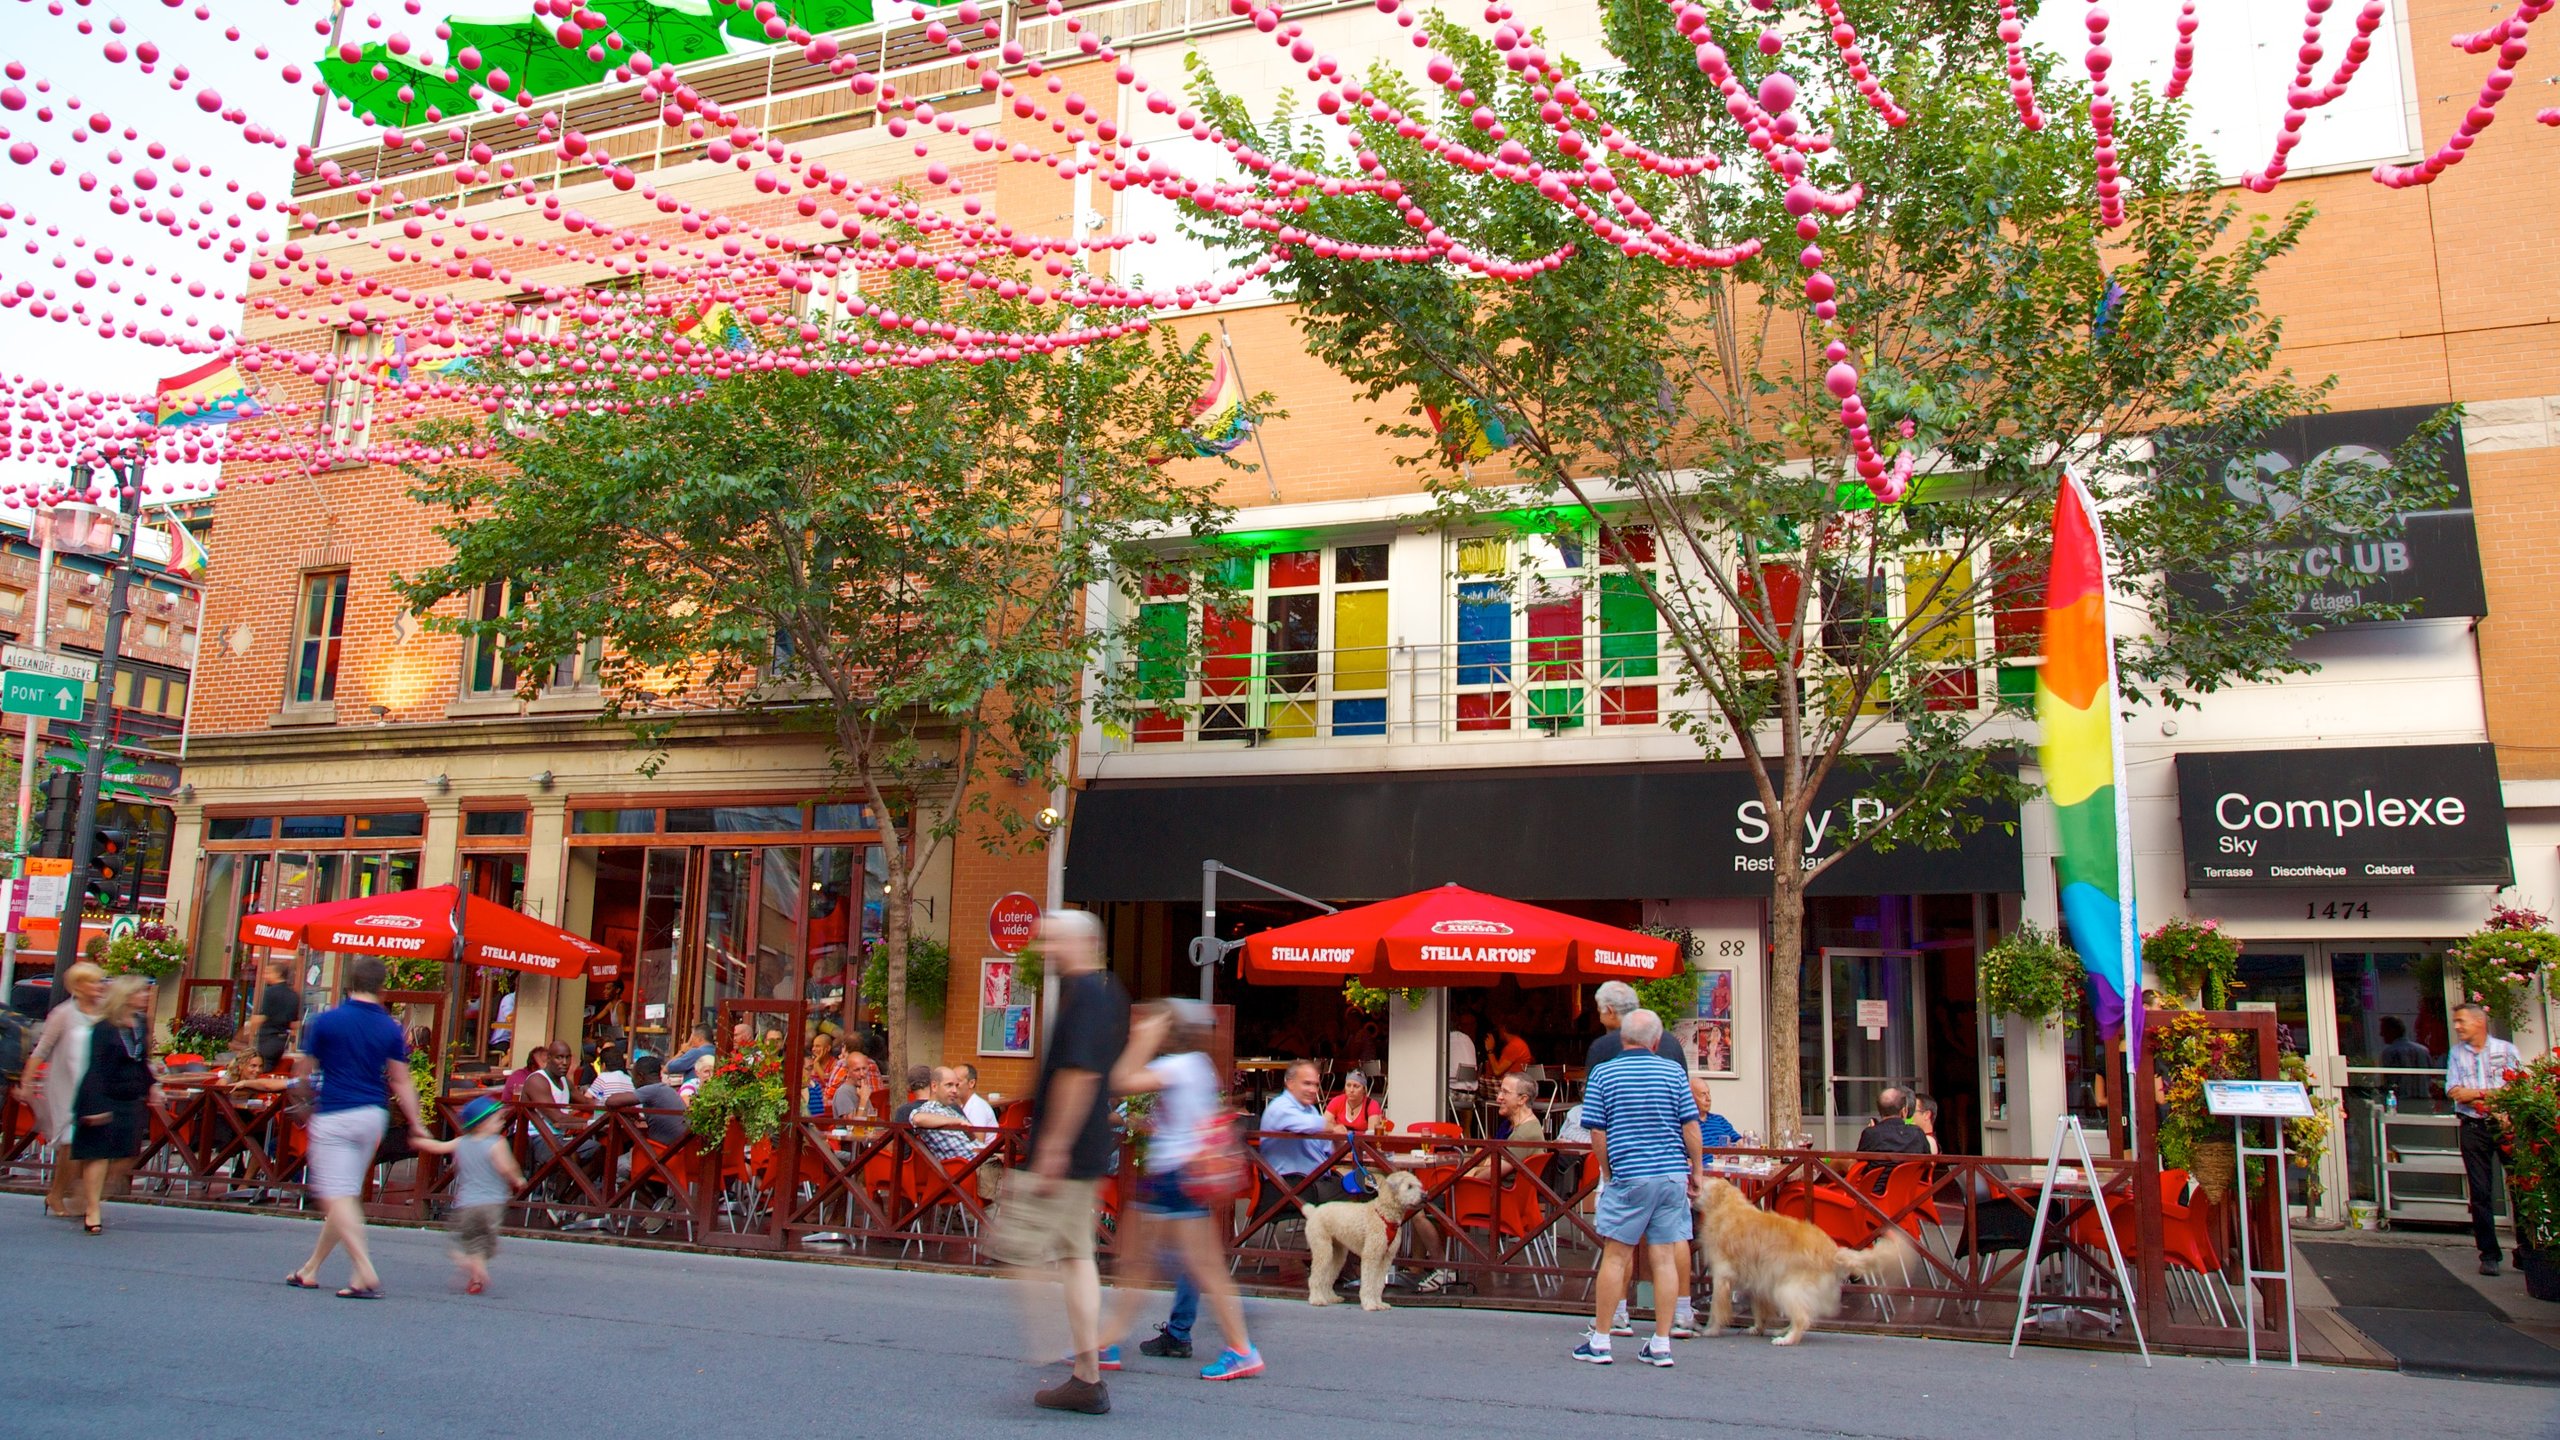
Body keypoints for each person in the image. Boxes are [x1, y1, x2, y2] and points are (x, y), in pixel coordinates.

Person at [990, 910, 1127, 1416]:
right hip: (1086, 1147)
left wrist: (1051, 1148)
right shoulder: (1107, 993)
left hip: (1065, 1151)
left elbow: (1078, 1074)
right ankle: (1084, 1369)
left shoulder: (1085, 996)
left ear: (1078, 942)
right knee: (1074, 1258)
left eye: (1050, 938)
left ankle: (1071, 1357)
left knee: (1019, 1247)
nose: (1043, 946)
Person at [1100, 1000, 1264, 1382]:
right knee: (1138, 1262)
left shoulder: (1179, 1065)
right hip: (1175, 1173)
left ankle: (1242, 1348)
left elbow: (1121, 1079)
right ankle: (1106, 1342)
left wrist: (1141, 1039)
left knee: (1194, 1267)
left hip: (1176, 1174)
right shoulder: (1199, 1067)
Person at [285, 955, 429, 1299]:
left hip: (335, 1112)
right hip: (372, 1115)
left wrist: (302, 1102)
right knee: (345, 1195)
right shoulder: (389, 1027)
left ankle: (364, 1269)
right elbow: (401, 1080)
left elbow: (303, 1070)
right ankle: (310, 1269)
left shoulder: (328, 1021)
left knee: (334, 1195)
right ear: (381, 988)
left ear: (349, 983)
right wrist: (417, 1122)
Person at [1573, 1008, 1701, 1368]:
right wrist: (1698, 1170)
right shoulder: (1674, 1072)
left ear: (1621, 1037)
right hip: (1671, 1174)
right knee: (1663, 1259)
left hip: (1629, 1173)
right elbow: (1690, 1125)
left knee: (1616, 1255)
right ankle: (1661, 1343)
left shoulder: (1604, 1073)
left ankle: (1600, 1340)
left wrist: (1607, 1169)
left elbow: (1596, 1130)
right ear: (1657, 1041)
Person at [1412, 1071, 1549, 1295]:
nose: (1499, 1097)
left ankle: (1443, 1268)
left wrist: (1474, 1171)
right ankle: (1421, 1267)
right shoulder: (1522, 1128)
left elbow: (1490, 1173)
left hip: (1497, 1201)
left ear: (1523, 1099)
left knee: (1417, 1207)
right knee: (1432, 1198)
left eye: (1505, 1092)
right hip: (1503, 1197)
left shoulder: (1524, 1133)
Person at [68, 976, 164, 1235]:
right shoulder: (104, 1028)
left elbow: (141, 1059)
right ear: (126, 995)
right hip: (102, 1094)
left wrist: (152, 1085)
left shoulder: (140, 1023)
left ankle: (91, 1191)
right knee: (98, 1152)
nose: (145, 996)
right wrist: (94, 1105)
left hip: (130, 1096)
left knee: (127, 1152)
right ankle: (92, 1209)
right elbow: (96, 1067)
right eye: (140, 992)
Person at [18, 960, 106, 1220]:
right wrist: (26, 1081)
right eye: (93, 981)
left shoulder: (105, 1012)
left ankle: (78, 1194)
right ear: (78, 986)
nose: (99, 986)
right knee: (70, 1141)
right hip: (66, 1086)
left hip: (95, 1085)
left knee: (88, 1143)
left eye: (100, 981)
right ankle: (57, 1193)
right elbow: (42, 1049)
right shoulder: (63, 1013)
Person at [410, 1094, 522, 1294]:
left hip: (467, 1204)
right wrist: (517, 1179)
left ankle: (472, 1269)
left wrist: (420, 1142)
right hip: (492, 1205)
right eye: (497, 1119)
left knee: (466, 1241)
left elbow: (438, 1147)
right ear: (481, 1124)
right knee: (483, 1242)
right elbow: (506, 1167)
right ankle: (477, 1271)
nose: (502, 1121)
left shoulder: (462, 1142)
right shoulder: (497, 1143)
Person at [2446, 1002, 2526, 1275]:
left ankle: (2527, 1250)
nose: (2457, 1027)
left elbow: (2516, 1089)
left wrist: (2476, 1094)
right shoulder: (2457, 1053)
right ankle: (2489, 1254)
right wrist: (2487, 1094)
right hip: (2473, 1127)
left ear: (2479, 1022)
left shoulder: (2506, 1050)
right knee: (2480, 1192)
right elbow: (2454, 1091)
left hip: (2505, 1124)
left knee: (2520, 1187)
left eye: (2461, 1021)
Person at [1587, 980, 1689, 1071]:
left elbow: (1593, 1089)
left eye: (1599, 1011)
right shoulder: (1671, 1041)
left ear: (1610, 1011)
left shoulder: (1602, 1047)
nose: (1599, 1018)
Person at [908, 1067, 980, 1162]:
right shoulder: (927, 1110)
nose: (955, 1090)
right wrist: (956, 1122)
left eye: (956, 1085)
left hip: (983, 1159)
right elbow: (917, 1119)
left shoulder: (952, 1110)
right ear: (934, 1086)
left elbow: (974, 1140)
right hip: (970, 1168)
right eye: (949, 1085)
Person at [244, 957, 301, 1072]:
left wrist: (247, 1033)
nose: (264, 975)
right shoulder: (293, 995)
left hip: (267, 1039)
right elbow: (295, 1024)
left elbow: (261, 1017)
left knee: (258, 1070)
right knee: (270, 1069)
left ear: (278, 974)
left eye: (268, 972)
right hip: (281, 1041)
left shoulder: (270, 992)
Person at [1856, 1087, 1932, 1156]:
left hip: (1881, 1171)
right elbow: (1928, 1163)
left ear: (1879, 1111)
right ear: (1904, 1111)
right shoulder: (1917, 1132)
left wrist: (1873, 1132)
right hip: (1910, 1171)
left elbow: (1859, 1162)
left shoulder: (1870, 1134)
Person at [2377, 1015, 2435, 1103]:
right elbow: (2431, 1076)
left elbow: (2390, 1080)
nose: (2381, 1034)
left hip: (2402, 1103)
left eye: (2384, 1030)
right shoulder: (2423, 1050)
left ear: (2392, 1031)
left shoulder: (2390, 1052)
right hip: (2425, 1101)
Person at [1324, 1067, 1387, 1135]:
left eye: (1356, 1086)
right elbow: (1323, 1125)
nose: (1351, 1090)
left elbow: (1372, 1136)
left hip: (1363, 1144)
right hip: (1339, 1144)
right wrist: (1333, 1128)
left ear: (1364, 1089)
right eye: (1348, 1085)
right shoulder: (1337, 1101)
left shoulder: (1372, 1105)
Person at [955, 1063, 1000, 1150]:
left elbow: (978, 1144)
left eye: (957, 1082)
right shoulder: (964, 1104)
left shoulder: (977, 1107)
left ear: (971, 1083)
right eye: (950, 1083)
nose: (953, 1087)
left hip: (986, 1158)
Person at [1692, 1076, 1741, 1149]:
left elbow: (1739, 1141)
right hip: (1704, 1160)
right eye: (1703, 1094)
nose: (1708, 1098)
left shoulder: (1719, 1120)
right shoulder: (1687, 1124)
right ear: (1691, 1097)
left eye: (1709, 1093)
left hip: (1723, 1159)